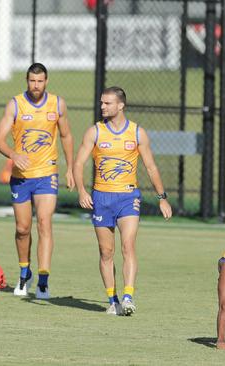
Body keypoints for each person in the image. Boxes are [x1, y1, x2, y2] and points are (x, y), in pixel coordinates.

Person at [73, 86, 172, 316]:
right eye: (101, 103)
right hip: (101, 197)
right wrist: (81, 191)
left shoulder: (137, 133)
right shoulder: (94, 132)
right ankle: (113, 300)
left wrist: (162, 198)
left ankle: (128, 297)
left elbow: (150, 167)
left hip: (128, 197)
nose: (102, 107)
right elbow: (78, 164)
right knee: (106, 251)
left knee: (128, 246)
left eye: (107, 103)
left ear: (120, 105)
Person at [0, 63, 75, 299]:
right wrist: (13, 155)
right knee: (22, 229)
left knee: (44, 223)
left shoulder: (57, 104)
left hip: (47, 174)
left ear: (46, 81)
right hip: (21, 178)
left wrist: (70, 168)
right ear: (27, 81)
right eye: (32, 81)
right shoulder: (16, 104)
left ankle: (43, 280)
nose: (35, 85)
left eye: (40, 81)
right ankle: (24, 272)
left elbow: (67, 135)